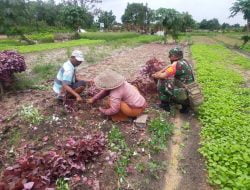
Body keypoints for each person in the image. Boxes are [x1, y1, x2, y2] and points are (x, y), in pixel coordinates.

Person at [152, 47, 194, 113]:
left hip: (183, 93)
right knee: (171, 81)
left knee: (162, 81)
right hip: (190, 90)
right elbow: (169, 66)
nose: (169, 57)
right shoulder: (184, 61)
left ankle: (165, 105)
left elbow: (163, 75)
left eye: (170, 55)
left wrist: (155, 75)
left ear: (174, 56)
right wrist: (160, 71)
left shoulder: (176, 65)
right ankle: (185, 106)